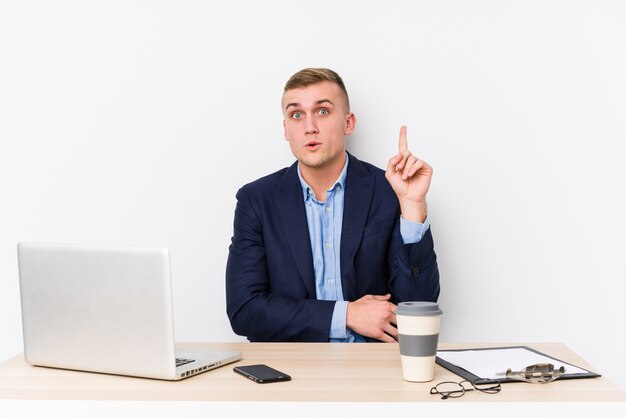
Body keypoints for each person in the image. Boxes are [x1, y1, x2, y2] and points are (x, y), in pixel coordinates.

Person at [226, 68, 439, 343]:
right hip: (290, 371)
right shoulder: (256, 200)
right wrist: (346, 315)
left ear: (348, 123)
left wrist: (412, 207)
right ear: (285, 130)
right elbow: (245, 311)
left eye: (323, 111)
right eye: (296, 114)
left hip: (372, 368)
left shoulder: (388, 190)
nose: (309, 126)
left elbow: (418, 309)